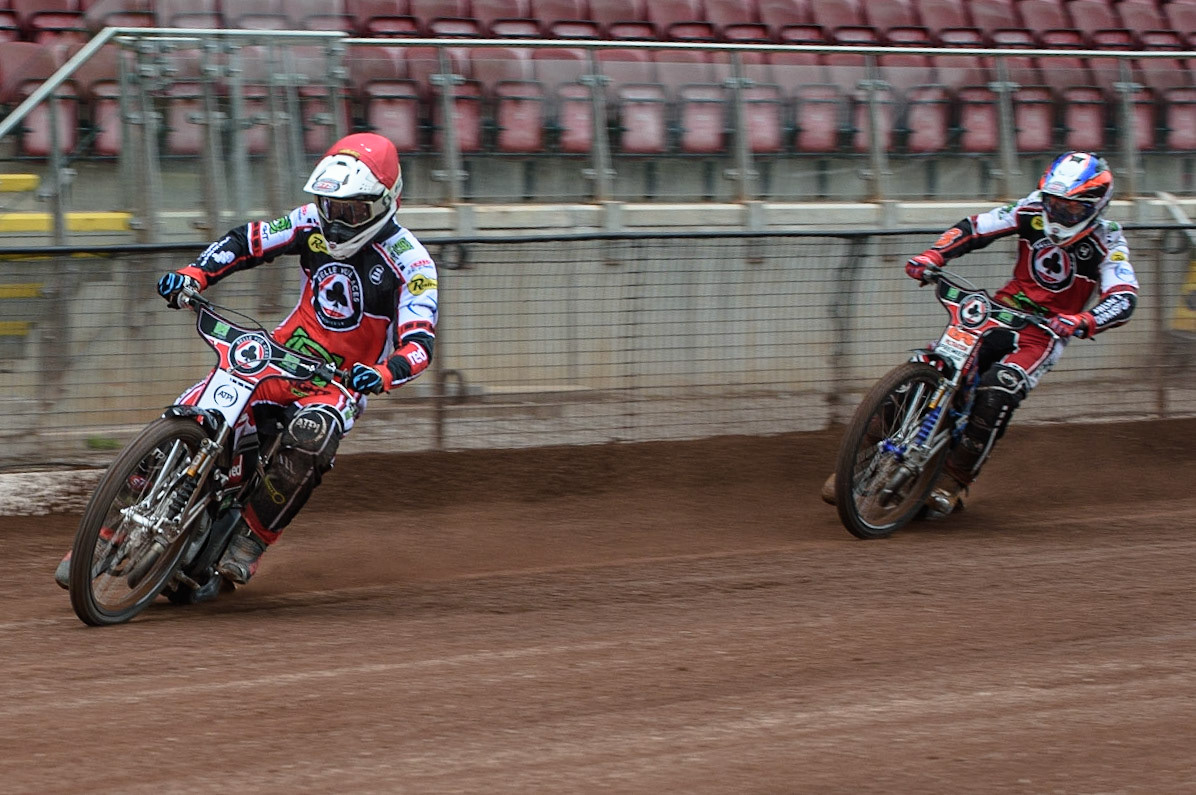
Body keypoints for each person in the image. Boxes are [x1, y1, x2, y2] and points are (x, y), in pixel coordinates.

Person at [56, 132, 438, 588]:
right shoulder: (310, 223)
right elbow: (247, 241)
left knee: (310, 439)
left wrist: (379, 374)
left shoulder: (412, 263)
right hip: (278, 354)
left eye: (351, 211)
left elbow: (419, 345)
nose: (336, 223)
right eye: (330, 207)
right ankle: (104, 535)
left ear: (385, 202)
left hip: (337, 382)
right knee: (195, 409)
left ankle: (252, 539)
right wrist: (192, 274)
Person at [823, 151, 1138, 516]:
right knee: (934, 366)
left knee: (997, 387)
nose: (1057, 213)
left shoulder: (1109, 240)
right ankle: (857, 463)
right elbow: (976, 227)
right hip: (998, 310)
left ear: (1095, 205)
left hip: (1045, 331)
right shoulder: (1030, 209)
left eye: (1069, 208)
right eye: (1054, 203)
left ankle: (954, 480)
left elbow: (1123, 297)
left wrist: (1085, 320)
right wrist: (933, 256)